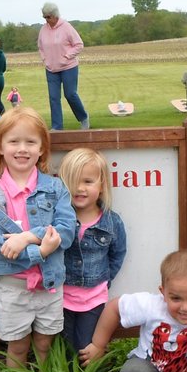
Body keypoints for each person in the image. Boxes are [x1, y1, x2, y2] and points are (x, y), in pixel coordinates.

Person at [0, 107, 76, 368]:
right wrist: (42, 250)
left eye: (30, 142)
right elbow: (1, 247)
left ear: (42, 148)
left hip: (50, 284)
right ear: (0, 146)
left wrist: (27, 237)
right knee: (18, 347)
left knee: (45, 345)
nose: (22, 149)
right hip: (13, 287)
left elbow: (66, 230)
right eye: (13, 141)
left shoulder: (55, 188)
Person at [57, 148, 127, 354]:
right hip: (61, 297)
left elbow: (117, 254)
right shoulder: (59, 219)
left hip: (93, 300)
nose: (79, 188)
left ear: (102, 185)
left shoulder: (112, 222)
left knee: (85, 347)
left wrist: (104, 279)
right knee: (65, 348)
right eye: (73, 181)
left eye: (88, 182)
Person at [38, 2, 90, 131]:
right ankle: (57, 127)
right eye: (44, 17)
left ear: (55, 16)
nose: (46, 20)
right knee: (54, 97)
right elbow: (40, 47)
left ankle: (83, 118)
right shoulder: (43, 30)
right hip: (51, 69)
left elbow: (79, 45)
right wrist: (45, 59)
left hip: (68, 67)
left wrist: (66, 56)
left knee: (70, 94)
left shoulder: (66, 27)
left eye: (48, 17)